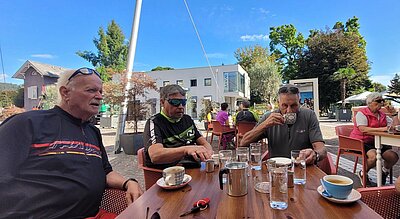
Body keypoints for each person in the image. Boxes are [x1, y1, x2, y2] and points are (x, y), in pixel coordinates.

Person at [0, 68, 143, 218]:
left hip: (93, 215)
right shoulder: (27, 123)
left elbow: (106, 171)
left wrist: (129, 182)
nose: (99, 96)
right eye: (91, 90)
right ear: (65, 93)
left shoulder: (93, 132)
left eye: (101, 91)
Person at [241, 84, 327, 165]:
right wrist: (265, 125)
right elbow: (243, 143)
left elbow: (321, 148)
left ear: (299, 102)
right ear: (278, 103)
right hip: (277, 169)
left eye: (293, 105)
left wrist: (315, 155)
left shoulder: (309, 115)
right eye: (284, 105)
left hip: (303, 167)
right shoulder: (268, 117)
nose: (289, 111)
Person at [144, 84, 213, 169]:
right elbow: (155, 155)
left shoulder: (187, 119)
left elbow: (204, 143)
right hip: (170, 174)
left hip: (194, 168)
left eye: (183, 102)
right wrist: (186, 150)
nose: (180, 106)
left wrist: (208, 153)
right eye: (175, 102)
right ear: (162, 102)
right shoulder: (155, 122)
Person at [350, 92, 399, 186]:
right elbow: (363, 129)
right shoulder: (362, 113)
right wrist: (383, 129)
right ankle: (363, 173)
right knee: (375, 156)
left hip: (377, 141)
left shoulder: (382, 115)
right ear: (369, 103)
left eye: (382, 101)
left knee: (393, 157)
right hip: (362, 141)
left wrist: (394, 114)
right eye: (378, 101)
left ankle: (384, 172)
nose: (381, 103)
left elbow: (395, 126)